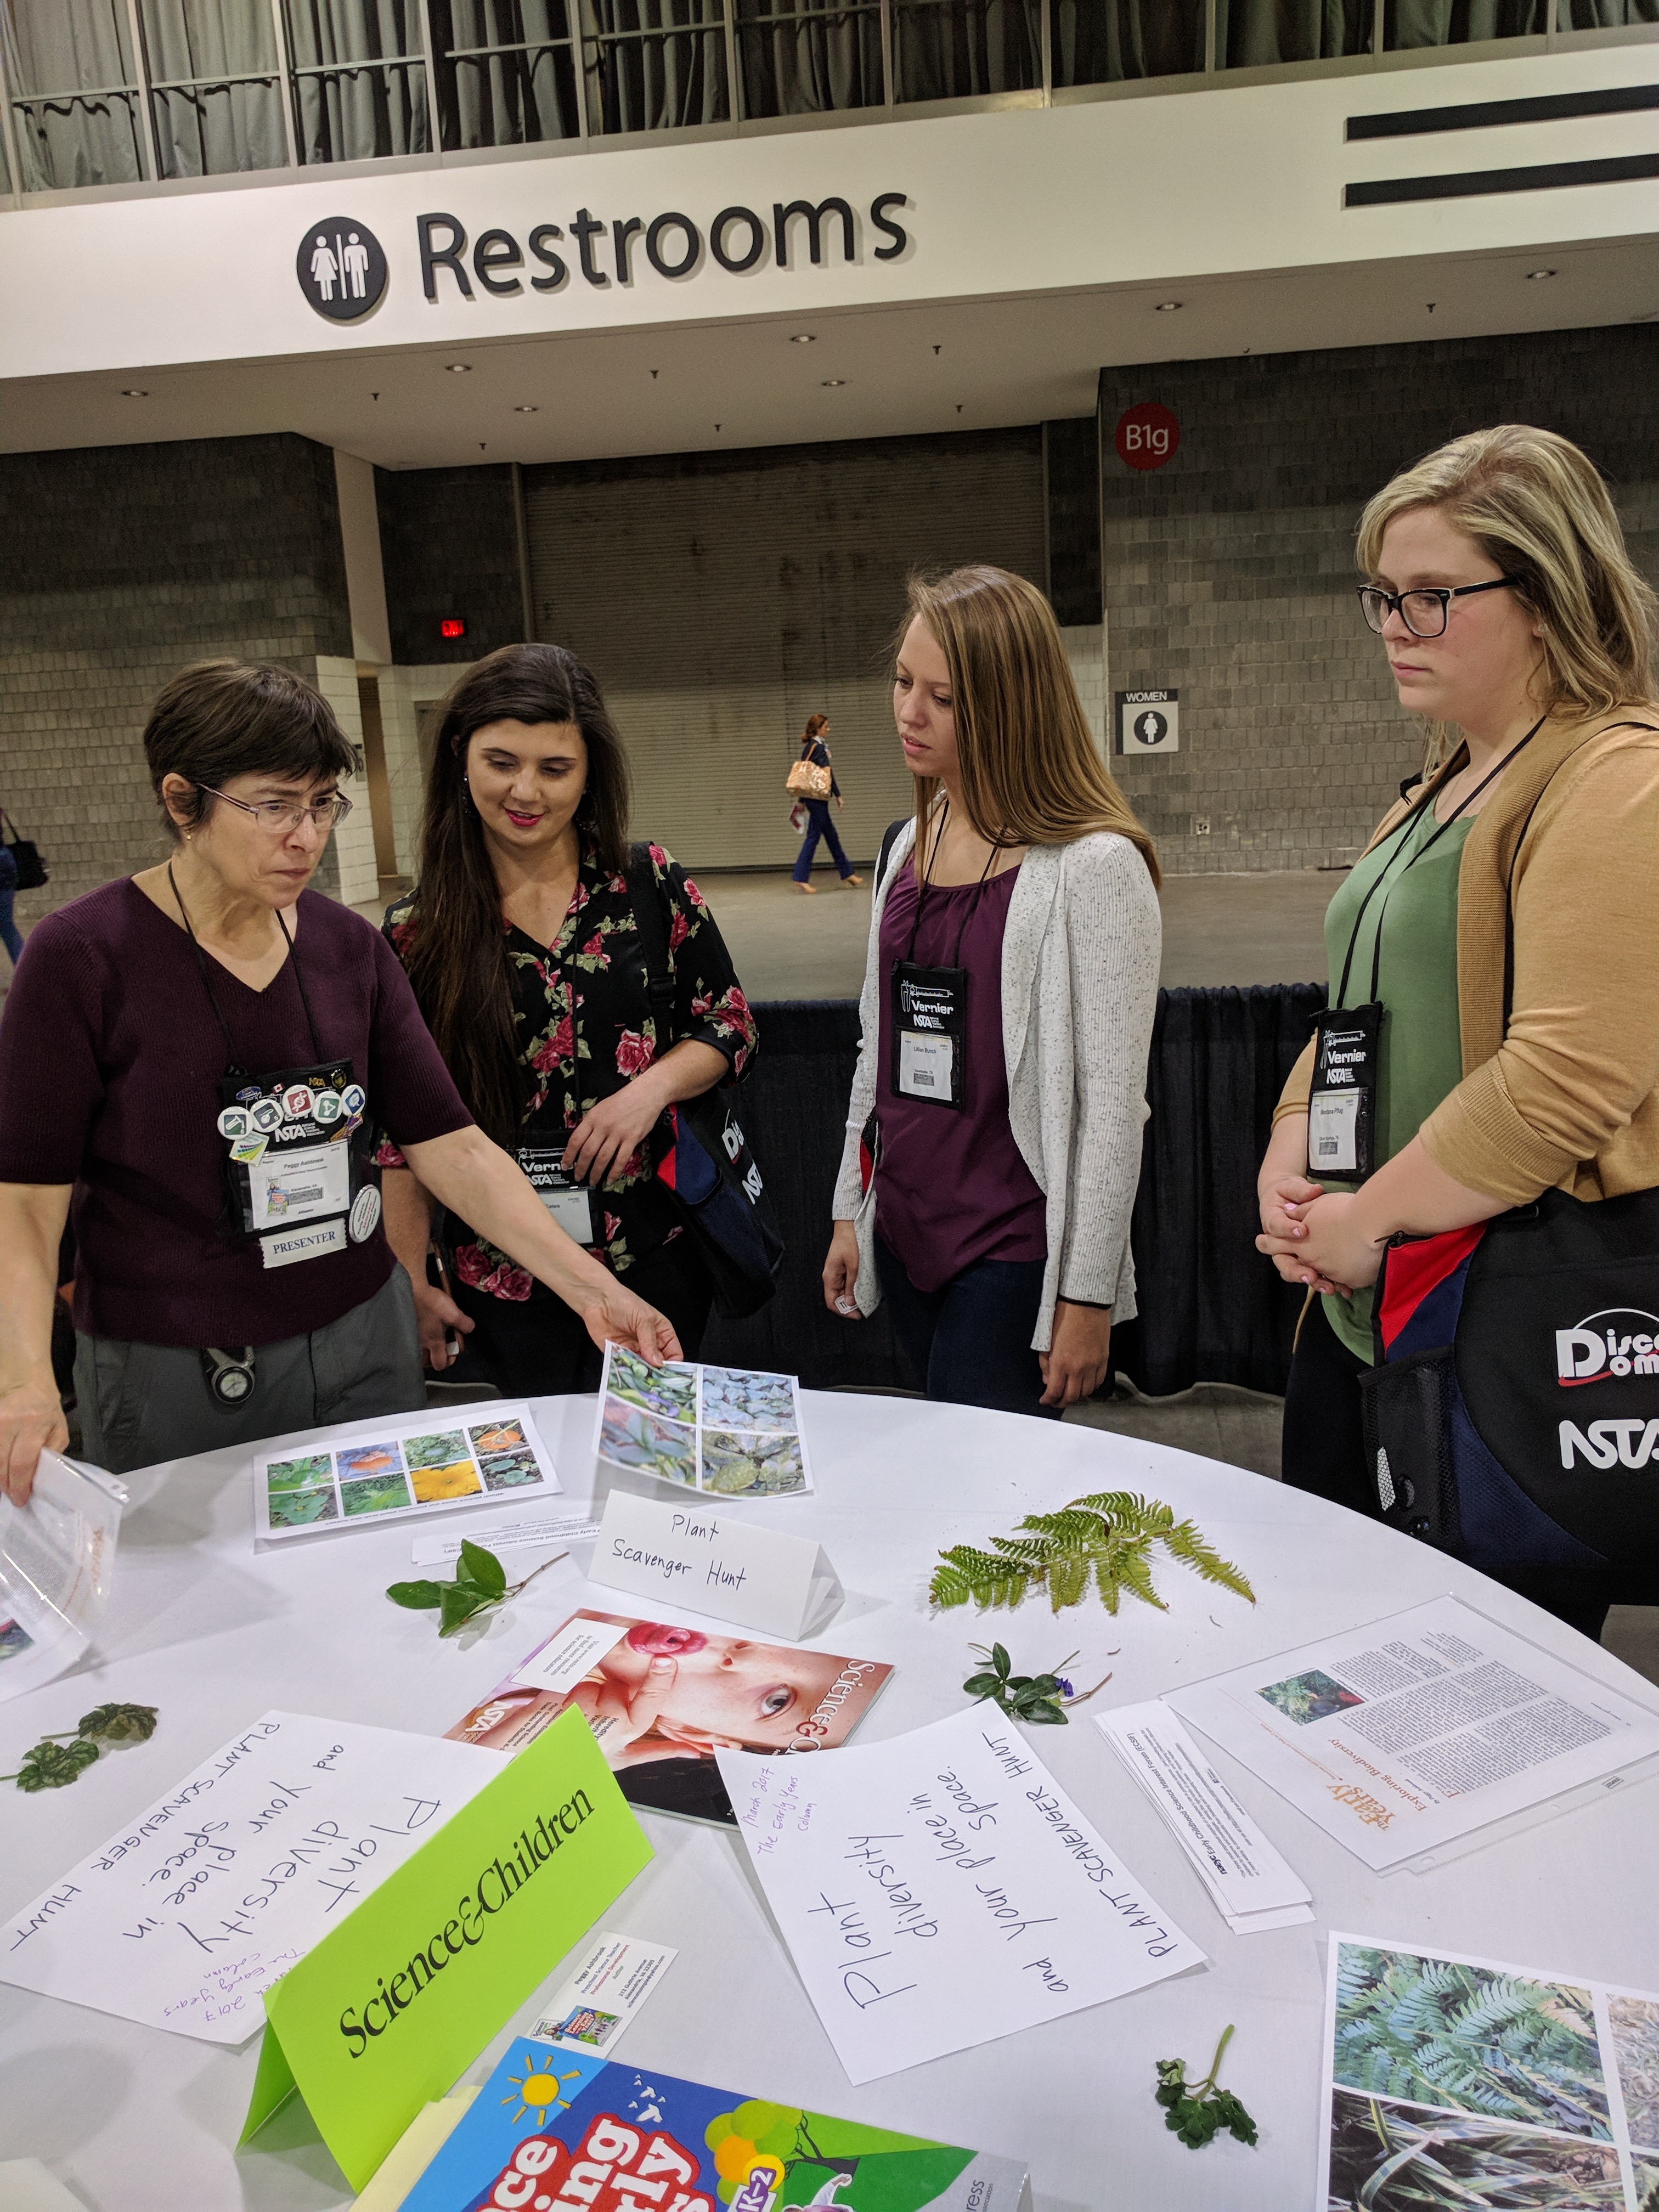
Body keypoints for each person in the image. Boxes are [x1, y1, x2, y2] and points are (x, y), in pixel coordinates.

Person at [0, 659, 679, 1500]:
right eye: (275, 806)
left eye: (323, 803)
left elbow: (452, 1147)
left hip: (364, 1344)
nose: (307, 837)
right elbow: (27, 1201)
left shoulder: (346, 948)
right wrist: (24, 1375)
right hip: (180, 1365)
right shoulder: (83, 958)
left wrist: (591, 1288)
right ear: (184, 802)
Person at [1256, 424, 1659, 1638]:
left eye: (1433, 598)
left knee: (1479, 1714)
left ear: (1545, 597)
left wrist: (1370, 1218)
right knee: (1338, 1672)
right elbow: (1358, 1012)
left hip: (1492, 1321)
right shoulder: (1441, 778)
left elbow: (1564, 1080)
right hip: (1364, 1303)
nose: (1395, 625)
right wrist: (1294, 1147)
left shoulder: (1613, 777)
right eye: (1385, 594)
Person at [821, 565, 1161, 1417]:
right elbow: (879, 1044)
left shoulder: (1096, 866)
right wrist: (847, 1207)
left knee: (992, 1517)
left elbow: (1114, 1107)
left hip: (1012, 1250)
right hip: (904, 1232)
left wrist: (1085, 1296)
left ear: (1008, 702)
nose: (908, 711)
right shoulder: (909, 843)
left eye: (942, 696)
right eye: (903, 682)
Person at [380, 642, 757, 1396]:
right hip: (497, 1286)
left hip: (656, 1259)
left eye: (556, 768)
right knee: (536, 1500)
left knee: (651, 1480)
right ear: (460, 756)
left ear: (590, 775)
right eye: (501, 762)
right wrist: (411, 1278)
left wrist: (649, 1090)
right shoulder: (417, 932)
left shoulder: (648, 883)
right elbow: (402, 1139)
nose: (527, 791)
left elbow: (731, 1024)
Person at [790, 712, 862, 894]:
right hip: (818, 800)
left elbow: (806, 776)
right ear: (818, 729)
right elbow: (826, 775)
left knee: (831, 836)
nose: (828, 730)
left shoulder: (810, 747)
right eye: (825, 727)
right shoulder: (819, 748)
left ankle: (848, 873)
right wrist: (838, 794)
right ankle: (800, 877)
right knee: (814, 837)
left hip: (813, 798)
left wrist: (802, 799)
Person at [0, 816, 21, 967]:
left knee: (6, 925)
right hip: (6, 864)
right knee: (6, 925)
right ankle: (26, 970)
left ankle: (26, 971)